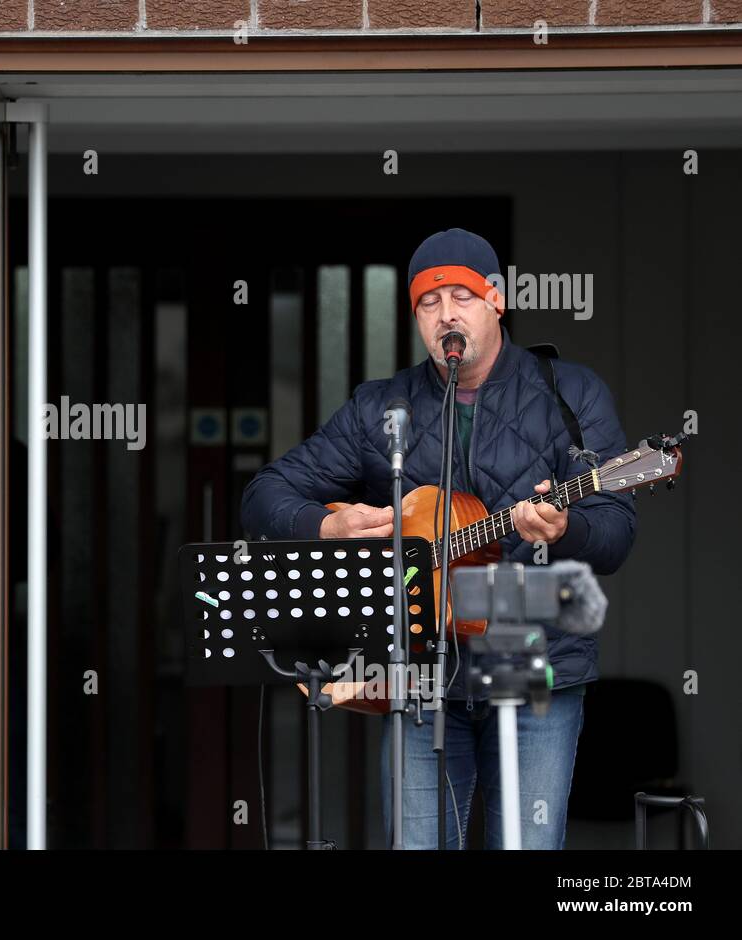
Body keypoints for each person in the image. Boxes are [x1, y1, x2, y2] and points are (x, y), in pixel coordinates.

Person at [240, 228, 637, 849]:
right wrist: (328, 524)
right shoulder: (382, 409)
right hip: (417, 676)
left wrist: (565, 528)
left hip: (535, 671)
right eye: (429, 301)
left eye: (462, 295)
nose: (446, 313)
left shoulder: (570, 394)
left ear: (496, 300)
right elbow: (264, 494)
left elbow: (615, 535)